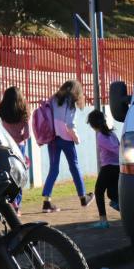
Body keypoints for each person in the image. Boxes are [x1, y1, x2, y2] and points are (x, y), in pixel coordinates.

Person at [42, 80, 91, 213]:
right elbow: (69, 125)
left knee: (53, 169)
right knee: (74, 167)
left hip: (52, 138)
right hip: (66, 139)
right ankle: (83, 198)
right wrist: (76, 138)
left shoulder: (53, 99)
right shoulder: (70, 103)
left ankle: (46, 202)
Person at [0, 86, 30, 214]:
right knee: (19, 175)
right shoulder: (24, 112)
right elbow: (27, 134)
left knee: (7, 174)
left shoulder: (1, 112)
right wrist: (20, 137)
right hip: (19, 147)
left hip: (5, 147)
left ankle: (8, 202)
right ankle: (16, 205)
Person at [87, 109, 120, 229]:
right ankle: (122, 207)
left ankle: (103, 221)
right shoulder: (112, 133)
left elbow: (115, 149)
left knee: (99, 191)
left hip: (108, 168)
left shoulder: (101, 136)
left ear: (93, 125)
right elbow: (118, 147)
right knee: (112, 194)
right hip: (117, 167)